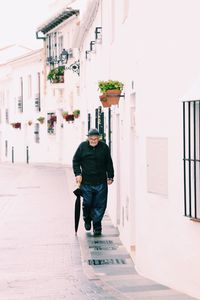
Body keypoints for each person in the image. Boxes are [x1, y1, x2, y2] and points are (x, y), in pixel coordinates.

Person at [72, 128, 114, 236]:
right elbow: (75, 161)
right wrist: (77, 173)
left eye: (95, 139)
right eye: (91, 139)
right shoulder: (82, 147)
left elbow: (109, 162)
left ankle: (97, 226)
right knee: (87, 203)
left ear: (99, 138)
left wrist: (110, 176)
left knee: (100, 205)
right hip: (86, 182)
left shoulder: (104, 147)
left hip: (101, 181)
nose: (93, 141)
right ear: (88, 138)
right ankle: (87, 219)